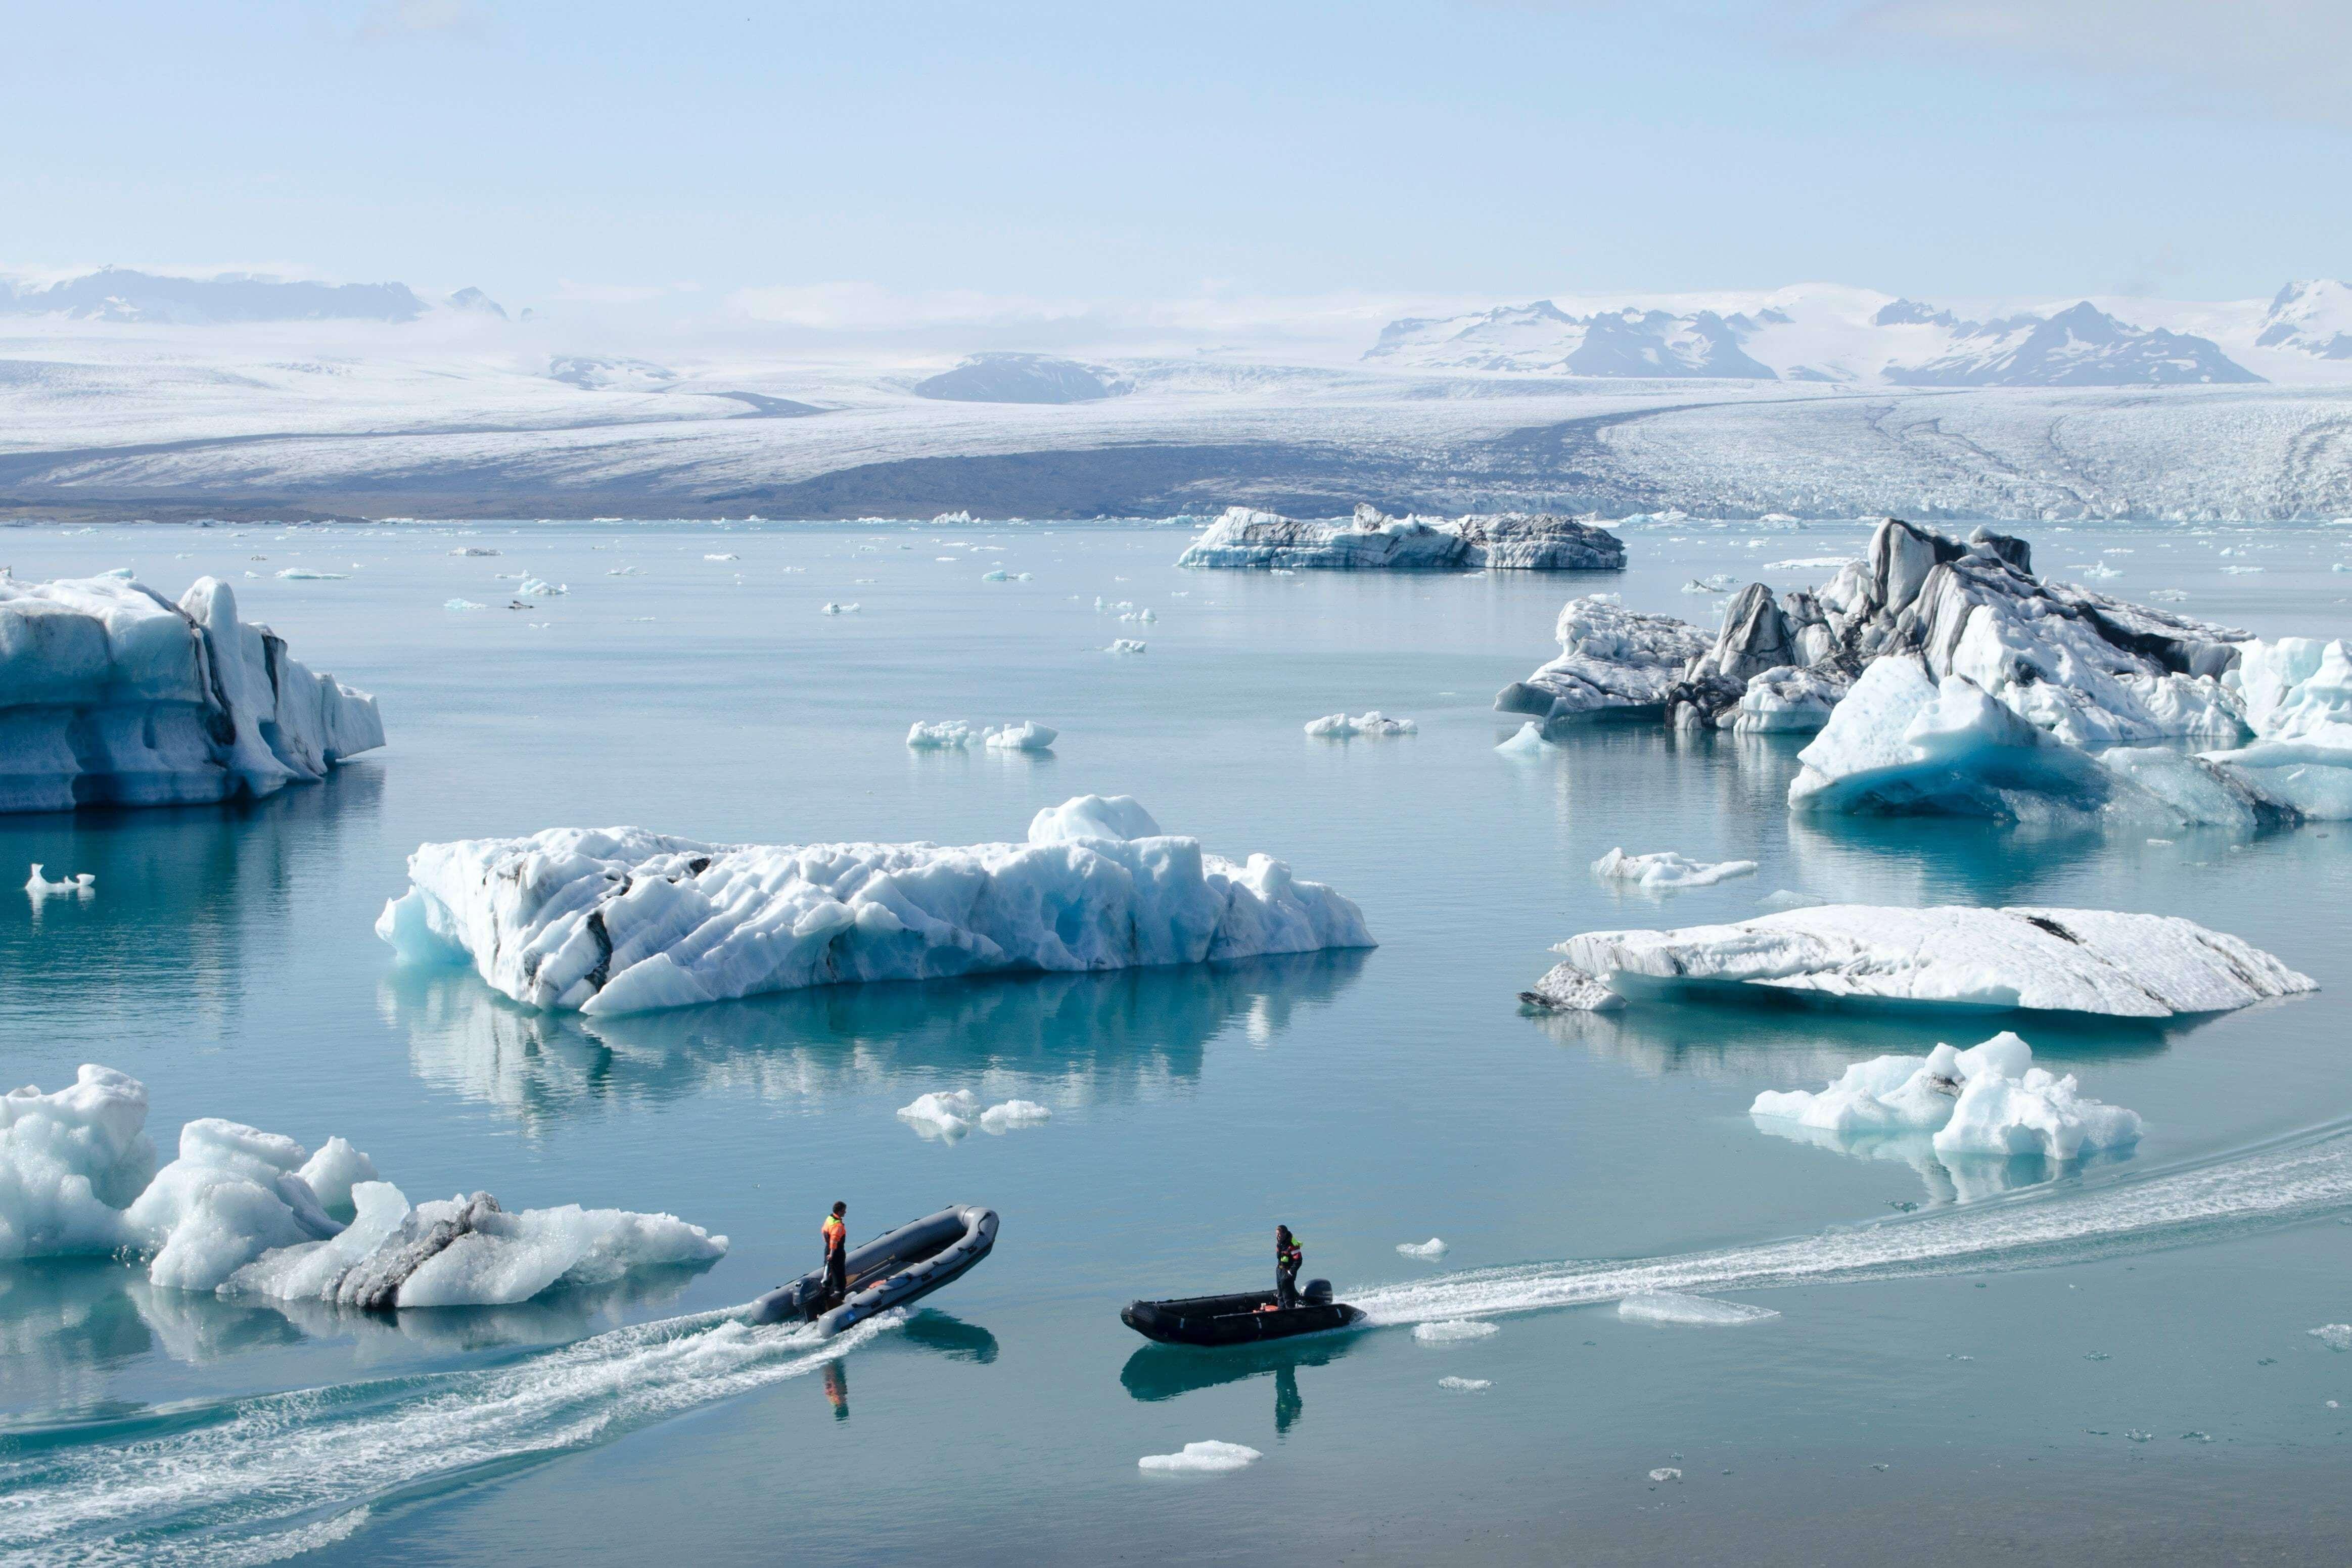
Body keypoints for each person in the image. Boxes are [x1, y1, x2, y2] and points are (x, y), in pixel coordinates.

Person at [820, 1201, 849, 1304]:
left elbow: (823, 1231)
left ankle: (826, 1298)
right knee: (840, 1277)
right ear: (840, 1211)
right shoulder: (838, 1226)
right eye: (844, 1210)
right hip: (836, 1252)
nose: (845, 1212)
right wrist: (832, 1254)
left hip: (827, 1249)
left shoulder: (830, 1219)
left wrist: (828, 1249)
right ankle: (839, 1300)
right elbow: (834, 1240)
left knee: (828, 1274)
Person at [1274, 1224, 1302, 1310]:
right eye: (1276, 1234)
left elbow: (1298, 1261)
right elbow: (1279, 1256)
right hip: (1280, 1271)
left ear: (1285, 1233)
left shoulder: (1292, 1245)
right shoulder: (1280, 1243)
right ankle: (1281, 1311)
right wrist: (1279, 1244)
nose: (1277, 1236)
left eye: (1279, 1234)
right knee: (1280, 1295)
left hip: (1287, 1272)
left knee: (1288, 1296)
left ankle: (1291, 1313)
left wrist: (1290, 1273)